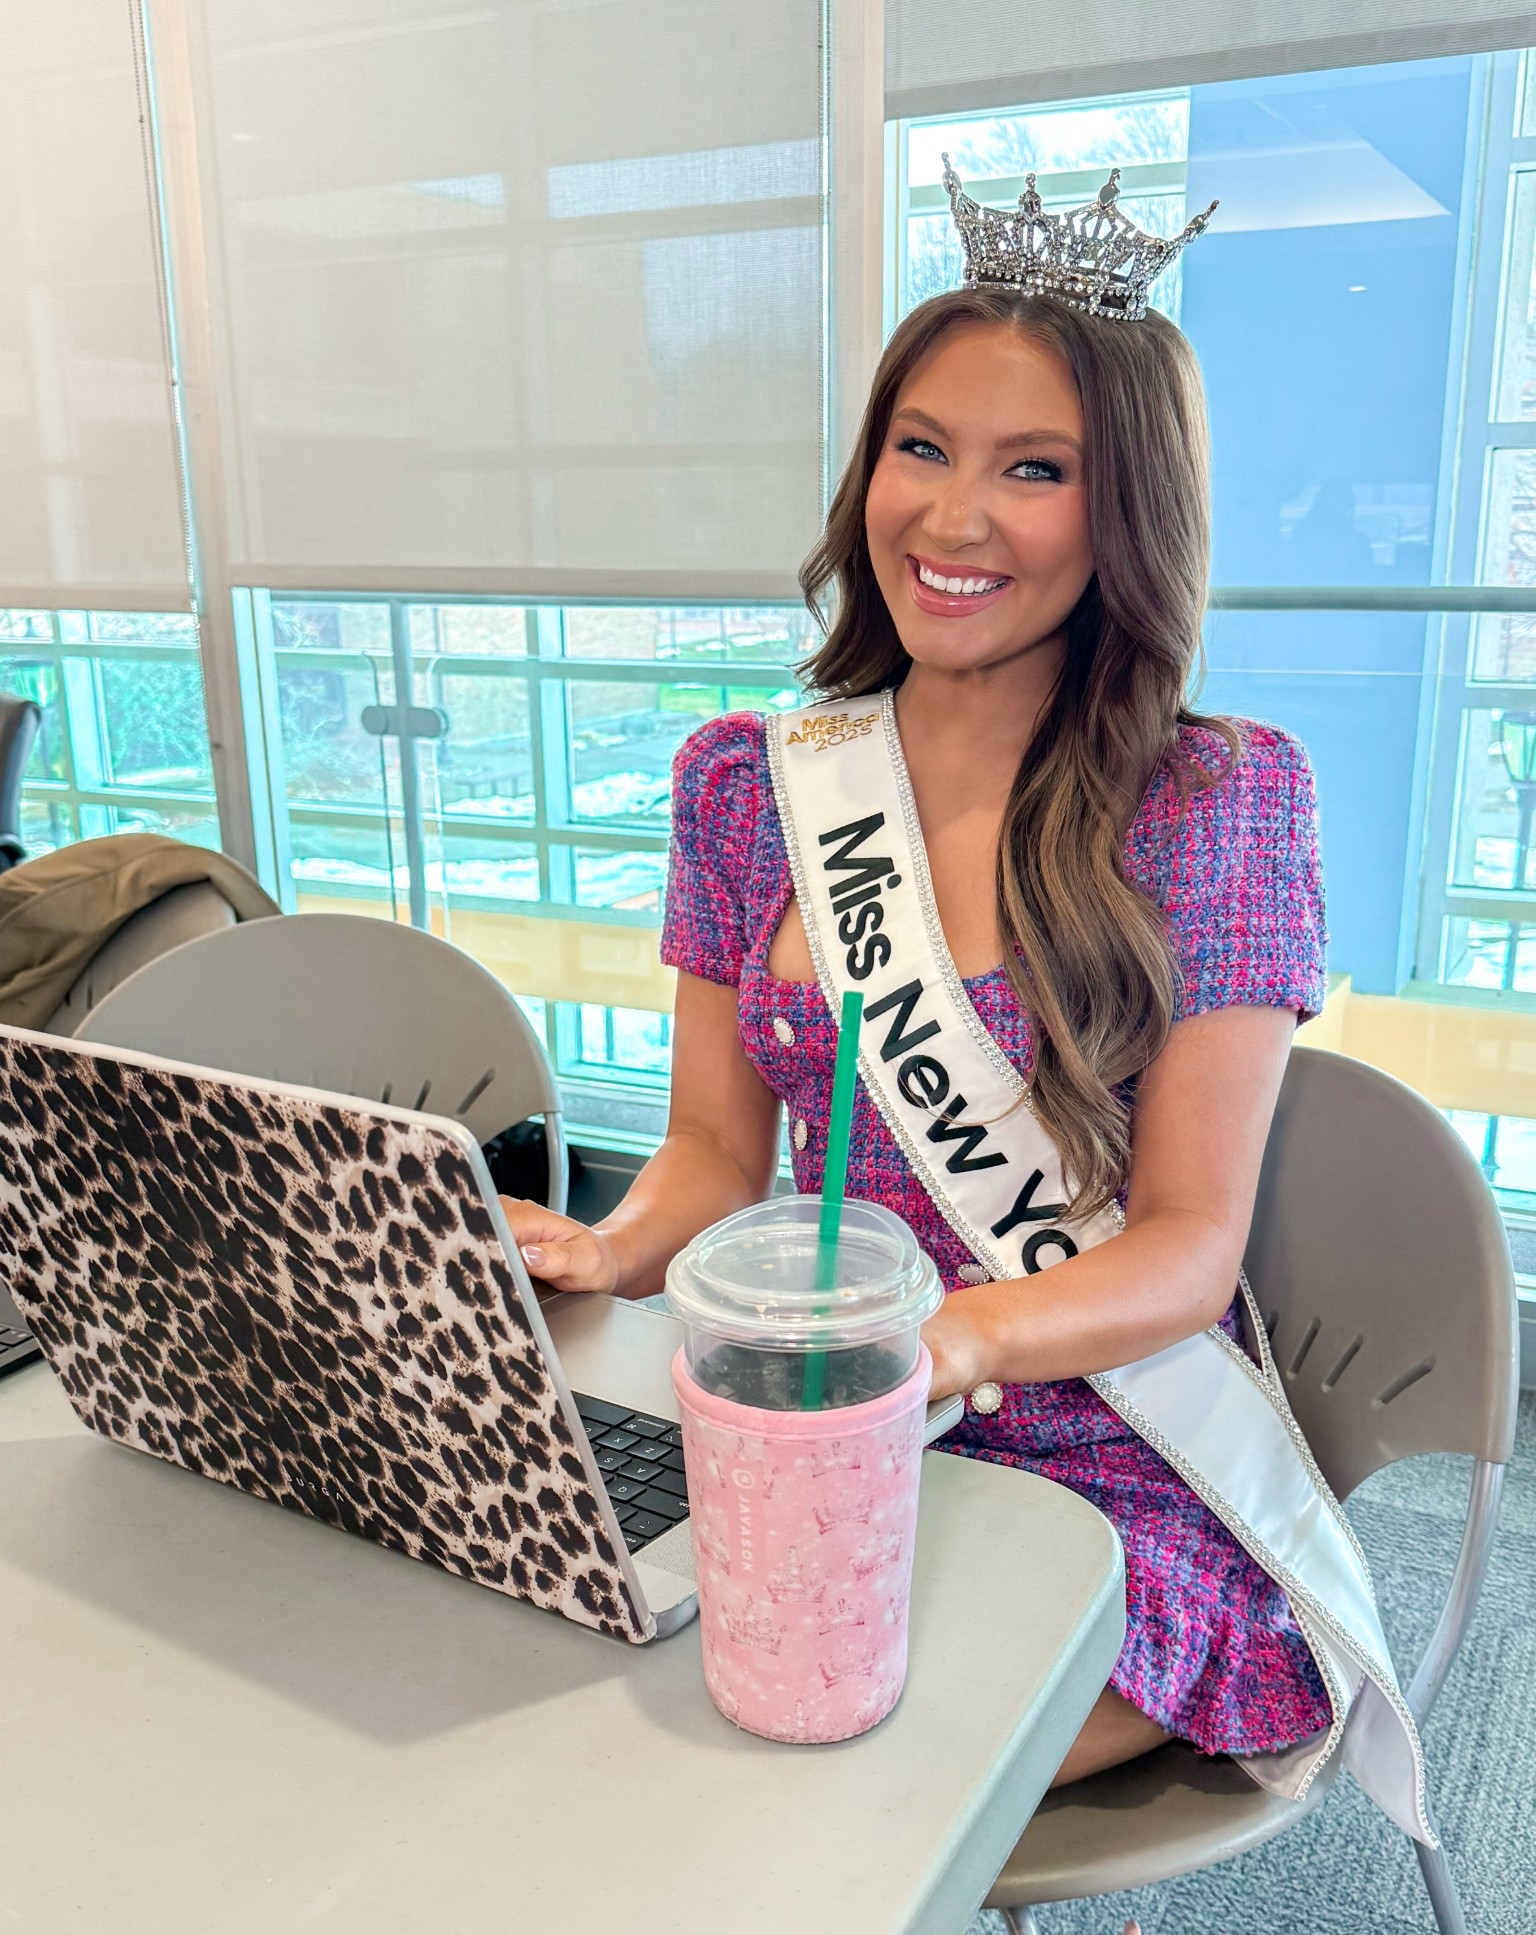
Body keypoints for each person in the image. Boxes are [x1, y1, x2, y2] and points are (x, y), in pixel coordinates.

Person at [503, 174, 1429, 1831]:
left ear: (1126, 509)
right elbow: (717, 1153)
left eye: (1036, 471)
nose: (953, 518)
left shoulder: (1213, 804)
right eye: (919, 448)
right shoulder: (747, 787)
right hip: (807, 1413)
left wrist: (944, 1340)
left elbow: (1189, 1245)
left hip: (1108, 1451)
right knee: (574, 1676)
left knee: (813, 1762)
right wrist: (613, 1247)